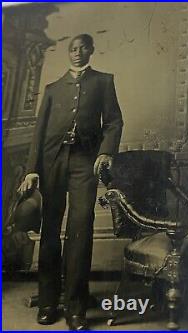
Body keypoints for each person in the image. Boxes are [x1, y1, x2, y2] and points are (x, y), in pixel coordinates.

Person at [18, 33, 123, 330]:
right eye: (72, 49)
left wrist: (105, 153)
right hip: (52, 162)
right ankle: (49, 302)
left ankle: (76, 308)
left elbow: (114, 122)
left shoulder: (103, 81)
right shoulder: (52, 89)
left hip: (84, 163)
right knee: (50, 229)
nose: (77, 53)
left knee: (80, 228)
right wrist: (31, 169)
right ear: (69, 52)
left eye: (82, 48)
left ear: (91, 50)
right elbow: (39, 133)